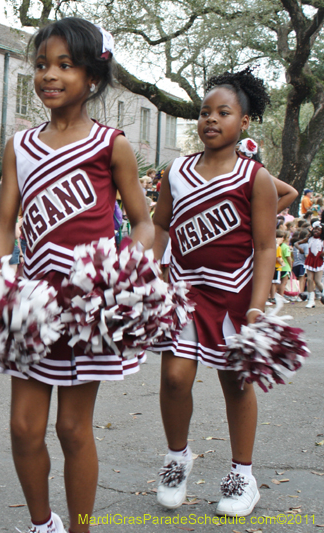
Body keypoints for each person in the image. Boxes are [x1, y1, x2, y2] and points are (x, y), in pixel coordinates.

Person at [0, 19, 153, 533]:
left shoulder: (112, 145)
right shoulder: (19, 145)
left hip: (89, 306)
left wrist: (118, 268)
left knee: (73, 428)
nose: (49, 75)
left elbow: (146, 223)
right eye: (41, 65)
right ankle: (44, 525)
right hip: (33, 303)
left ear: (92, 77)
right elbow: (5, 222)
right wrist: (1, 272)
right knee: (22, 428)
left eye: (64, 65)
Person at [152, 67, 276, 518]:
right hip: (184, 293)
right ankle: (176, 458)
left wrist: (259, 306)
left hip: (236, 296)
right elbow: (160, 225)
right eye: (205, 112)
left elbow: (265, 247)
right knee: (173, 378)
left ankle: (242, 475)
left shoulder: (253, 177)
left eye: (223, 112)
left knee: (236, 383)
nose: (211, 119)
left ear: (243, 123)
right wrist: (142, 269)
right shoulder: (178, 171)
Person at [299, 220, 323, 307]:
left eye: (318, 229)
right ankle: (311, 300)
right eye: (314, 229)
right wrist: (300, 249)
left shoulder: (322, 240)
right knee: (309, 280)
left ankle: (322, 293)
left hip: (319, 261)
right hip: (310, 260)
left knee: (317, 281)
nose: (316, 231)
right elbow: (296, 243)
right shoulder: (309, 239)